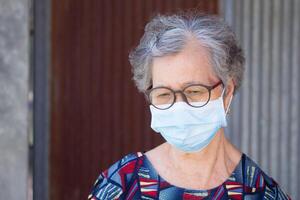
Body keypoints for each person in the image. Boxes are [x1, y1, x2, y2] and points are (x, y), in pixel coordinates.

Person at [88, 12, 290, 199]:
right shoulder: (121, 184)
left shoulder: (261, 192)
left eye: (194, 91)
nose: (179, 107)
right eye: (164, 94)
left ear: (227, 93)